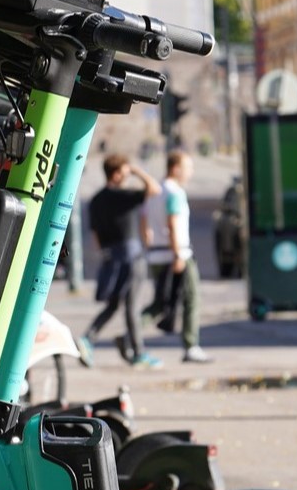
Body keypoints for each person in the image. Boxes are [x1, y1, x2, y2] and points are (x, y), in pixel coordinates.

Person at [85, 153, 160, 367]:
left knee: (115, 303)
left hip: (111, 257)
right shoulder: (123, 196)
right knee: (132, 306)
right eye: (125, 173)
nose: (127, 177)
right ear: (117, 174)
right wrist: (136, 170)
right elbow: (154, 189)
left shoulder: (96, 200)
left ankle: (88, 338)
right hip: (131, 256)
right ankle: (138, 352)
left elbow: (95, 235)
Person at [150, 152, 210, 362]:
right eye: (188, 167)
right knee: (192, 299)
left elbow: (143, 221)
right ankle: (191, 345)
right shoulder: (174, 192)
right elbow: (173, 224)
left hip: (157, 253)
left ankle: (131, 336)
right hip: (178, 252)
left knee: (159, 303)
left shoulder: (155, 190)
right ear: (175, 168)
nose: (191, 172)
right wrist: (178, 255)